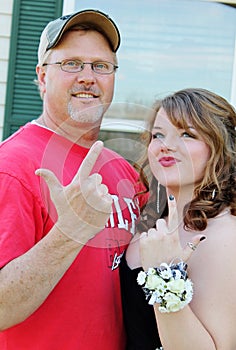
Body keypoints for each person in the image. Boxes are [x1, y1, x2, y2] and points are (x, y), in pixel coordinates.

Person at [0, 9, 146, 350]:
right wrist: (69, 233)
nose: (87, 77)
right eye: (71, 64)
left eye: (101, 66)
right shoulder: (12, 167)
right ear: (42, 76)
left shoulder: (124, 171)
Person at [120, 88, 236, 349]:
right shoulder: (150, 216)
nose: (166, 145)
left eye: (187, 134)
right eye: (158, 135)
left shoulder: (223, 236)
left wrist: (165, 277)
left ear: (219, 147)